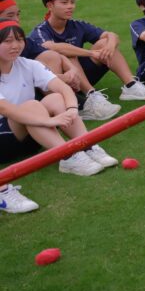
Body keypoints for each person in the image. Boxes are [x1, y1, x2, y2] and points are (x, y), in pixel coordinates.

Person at [0, 19, 119, 214]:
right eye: (7, 41)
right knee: (32, 105)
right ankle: (68, 155)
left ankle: (86, 145)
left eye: (19, 40)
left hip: (34, 135)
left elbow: (62, 88)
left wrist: (71, 108)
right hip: (4, 141)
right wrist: (48, 121)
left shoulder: (28, 64)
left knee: (55, 98)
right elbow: (6, 109)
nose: (15, 46)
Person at [30, 0, 145, 109]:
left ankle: (131, 86)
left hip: (80, 76)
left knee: (105, 42)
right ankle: (91, 96)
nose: (70, 6)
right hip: (59, 82)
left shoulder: (77, 25)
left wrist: (110, 45)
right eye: (64, 2)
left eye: (72, 2)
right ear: (50, 5)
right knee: (69, 55)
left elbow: (112, 35)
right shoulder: (40, 31)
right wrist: (91, 53)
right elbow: (53, 47)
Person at [0, 0, 88, 106]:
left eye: (18, 14)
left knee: (50, 57)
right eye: (10, 15)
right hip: (15, 103)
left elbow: (53, 54)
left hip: (30, 94)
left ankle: (83, 98)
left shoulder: (24, 46)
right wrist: (64, 78)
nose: (16, 20)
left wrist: (72, 70)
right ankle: (69, 104)